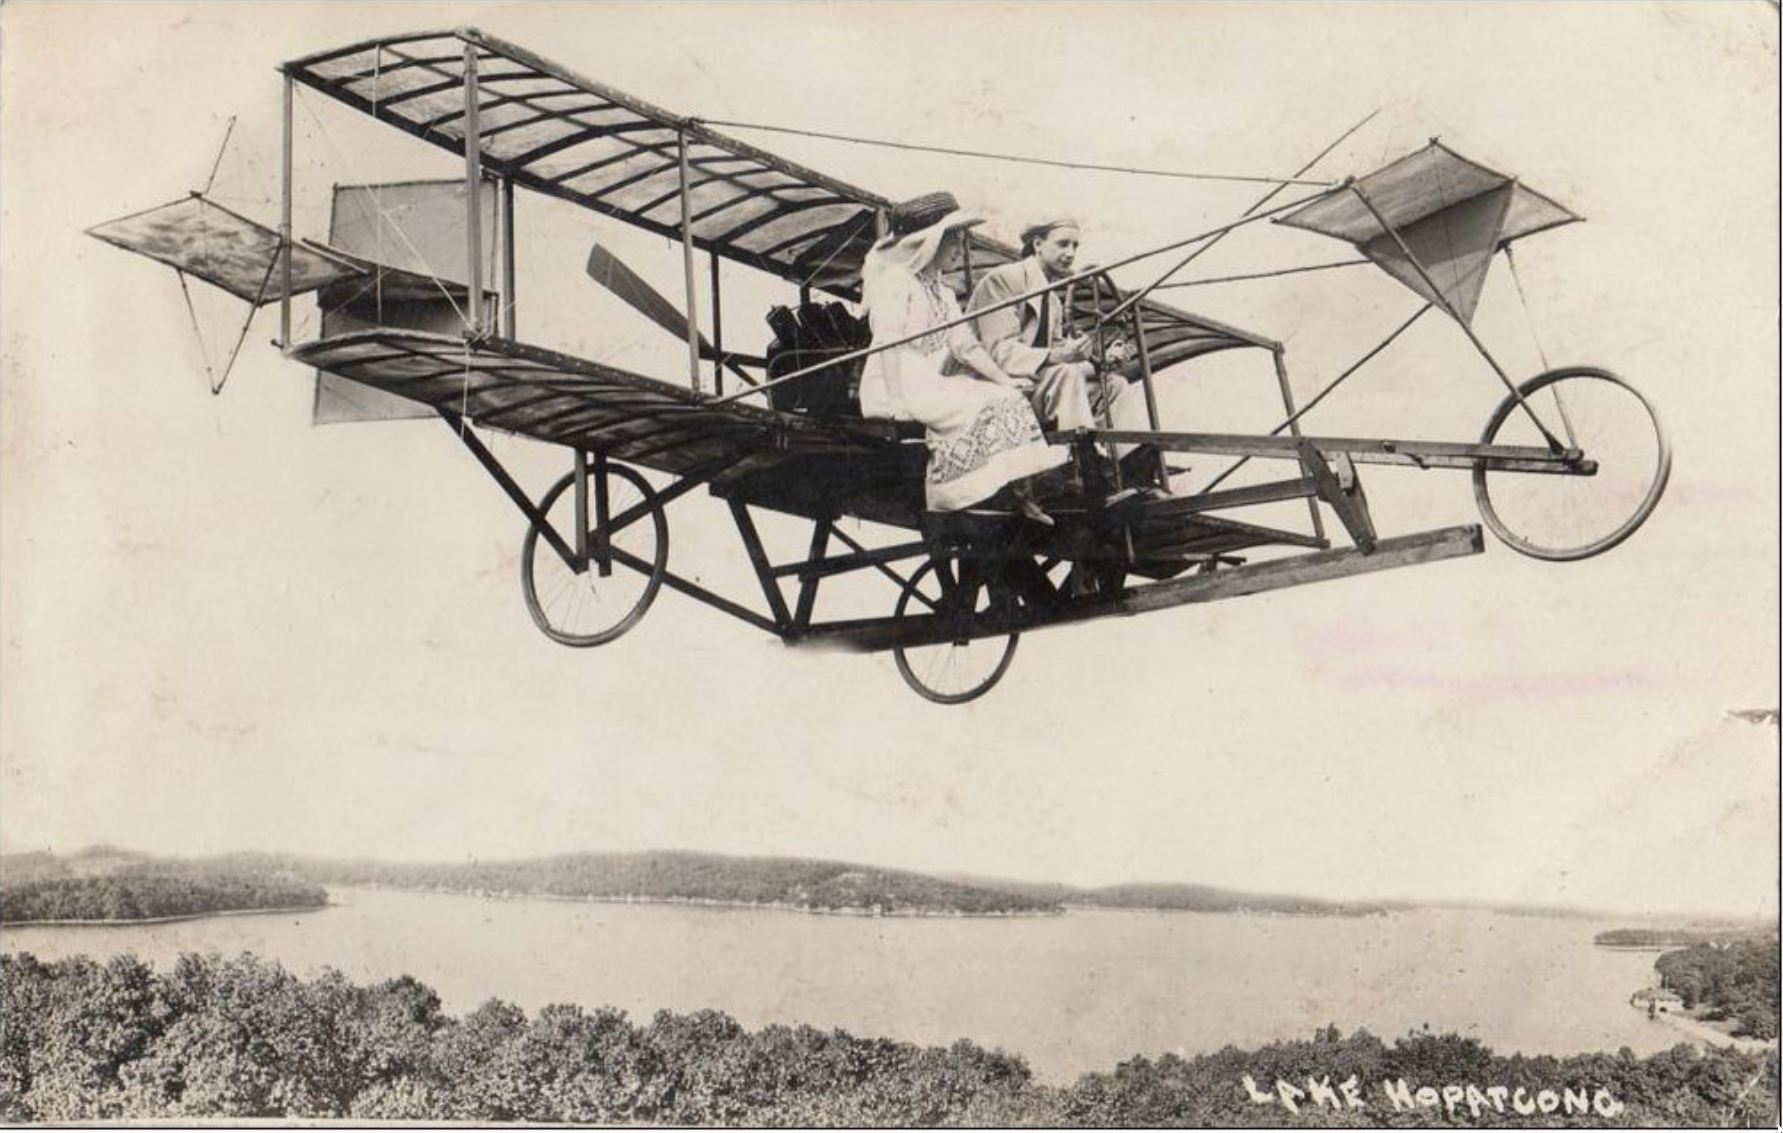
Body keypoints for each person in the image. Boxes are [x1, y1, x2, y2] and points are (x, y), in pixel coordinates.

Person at [858, 192, 1066, 520]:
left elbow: (965, 346)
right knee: (979, 405)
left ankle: (1017, 495)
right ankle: (952, 494)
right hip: (893, 382)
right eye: (953, 238)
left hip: (928, 379)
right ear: (930, 241)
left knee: (1005, 397)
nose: (960, 247)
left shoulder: (943, 292)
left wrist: (1006, 379)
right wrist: (897, 402)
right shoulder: (897, 282)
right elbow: (887, 344)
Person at [965, 216, 1161, 487]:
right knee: (1067, 375)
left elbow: (1056, 352)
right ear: (1038, 244)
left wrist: (1100, 360)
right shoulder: (1002, 281)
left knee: (1115, 385)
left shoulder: (1053, 299)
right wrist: (1062, 355)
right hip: (995, 389)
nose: (1070, 254)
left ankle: (1139, 476)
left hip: (1034, 387)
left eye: (1075, 246)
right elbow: (1000, 352)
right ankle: (1087, 473)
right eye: (1063, 244)